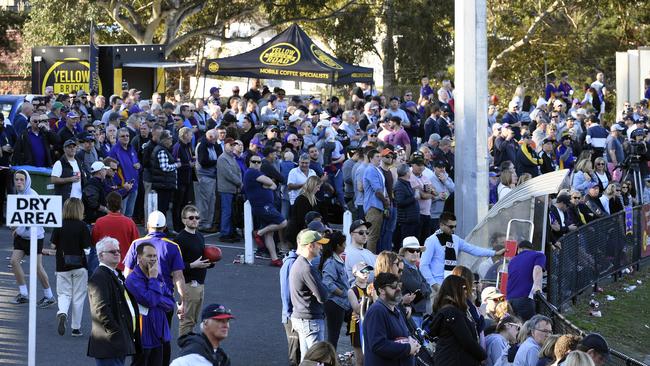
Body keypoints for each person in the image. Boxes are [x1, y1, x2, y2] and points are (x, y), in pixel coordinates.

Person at [124, 211, 186, 366]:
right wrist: (182, 301)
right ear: (165, 227)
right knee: (163, 339)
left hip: (141, 303)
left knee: (141, 344)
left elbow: (127, 273)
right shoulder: (172, 246)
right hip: (164, 301)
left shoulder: (136, 244)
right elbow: (178, 276)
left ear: (147, 225)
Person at [420, 212, 503, 299]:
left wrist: (494, 253)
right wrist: (434, 284)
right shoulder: (431, 241)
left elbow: (474, 249)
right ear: (441, 225)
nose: (453, 229)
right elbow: (423, 265)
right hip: (437, 286)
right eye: (451, 226)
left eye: (455, 226)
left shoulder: (456, 239)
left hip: (451, 285)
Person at [87, 237, 138, 366]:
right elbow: (101, 309)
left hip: (117, 343)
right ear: (101, 255)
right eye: (112, 251)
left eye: (118, 251)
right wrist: (116, 332)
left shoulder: (115, 274)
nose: (117, 253)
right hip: (110, 343)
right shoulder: (100, 276)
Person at [125, 242, 175, 366]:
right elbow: (150, 301)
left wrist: (157, 299)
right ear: (139, 258)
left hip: (159, 332)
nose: (153, 259)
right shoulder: (133, 280)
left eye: (155, 256)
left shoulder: (158, 275)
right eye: (149, 256)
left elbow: (170, 303)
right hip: (143, 334)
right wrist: (153, 280)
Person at [9, 170, 55, 306]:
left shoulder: (32, 195)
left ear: (27, 181)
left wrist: (18, 229)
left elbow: (32, 221)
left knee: (37, 267)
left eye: (21, 180)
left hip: (35, 237)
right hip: (22, 237)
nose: (18, 182)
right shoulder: (19, 194)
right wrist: (16, 226)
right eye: (16, 179)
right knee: (14, 261)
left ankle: (49, 296)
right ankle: (23, 294)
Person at [51, 197, 91, 336]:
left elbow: (53, 244)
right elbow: (87, 247)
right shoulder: (83, 226)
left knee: (63, 293)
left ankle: (62, 312)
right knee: (78, 296)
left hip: (62, 265)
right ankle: (76, 328)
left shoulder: (59, 224)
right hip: (80, 265)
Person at [428, 274, 487, 366]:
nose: (466, 291)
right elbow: (467, 341)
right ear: (454, 289)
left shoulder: (451, 310)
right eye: (463, 288)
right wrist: (483, 356)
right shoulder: (452, 312)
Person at [363, 272, 420, 365]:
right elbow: (378, 345)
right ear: (381, 290)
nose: (398, 289)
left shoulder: (396, 309)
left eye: (398, 285)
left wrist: (412, 341)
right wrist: (408, 348)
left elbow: (403, 335)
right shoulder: (377, 311)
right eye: (393, 286)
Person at [289, 230, 330, 360]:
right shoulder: (307, 268)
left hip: (301, 318)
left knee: (306, 360)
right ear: (310, 245)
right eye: (319, 244)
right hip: (311, 320)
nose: (321, 247)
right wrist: (322, 288)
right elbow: (323, 296)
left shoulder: (297, 264)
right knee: (316, 360)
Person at [175, 205, 213, 336]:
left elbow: (201, 259)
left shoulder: (200, 236)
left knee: (194, 319)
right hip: (188, 284)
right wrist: (192, 265)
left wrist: (210, 262)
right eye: (191, 218)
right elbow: (175, 266)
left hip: (200, 283)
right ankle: (184, 347)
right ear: (184, 220)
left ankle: (188, 345)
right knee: (187, 320)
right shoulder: (180, 239)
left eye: (197, 217)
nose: (195, 220)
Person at [245, 153, 287, 266]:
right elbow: (271, 183)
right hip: (263, 206)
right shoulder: (252, 172)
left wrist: (268, 184)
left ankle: (274, 259)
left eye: (259, 162)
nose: (257, 164)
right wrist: (268, 184)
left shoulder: (258, 173)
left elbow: (273, 186)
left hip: (266, 205)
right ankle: (259, 233)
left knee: (270, 234)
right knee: (283, 222)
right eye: (254, 161)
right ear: (250, 162)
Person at [91, 192, 140, 273]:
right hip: (124, 267)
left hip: (105, 266)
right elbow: (136, 245)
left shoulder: (100, 222)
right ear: (121, 204)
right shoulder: (129, 222)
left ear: (107, 204)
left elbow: (94, 242)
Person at [318, 231, 350, 350]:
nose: (345, 245)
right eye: (344, 243)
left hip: (339, 304)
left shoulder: (335, 260)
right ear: (338, 245)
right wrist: (342, 293)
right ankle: (330, 361)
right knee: (333, 337)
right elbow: (328, 283)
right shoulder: (331, 262)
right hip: (335, 304)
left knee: (334, 336)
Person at [506, 240, 545, 321]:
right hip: (525, 298)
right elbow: (537, 269)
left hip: (509, 301)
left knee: (515, 328)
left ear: (519, 249)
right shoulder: (538, 255)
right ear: (531, 249)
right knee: (528, 328)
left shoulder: (512, 260)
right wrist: (537, 286)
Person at [398, 236, 431, 327]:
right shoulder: (403, 268)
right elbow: (417, 287)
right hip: (410, 313)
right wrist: (423, 289)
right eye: (411, 250)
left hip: (417, 313)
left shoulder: (415, 268)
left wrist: (423, 289)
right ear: (404, 252)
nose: (415, 253)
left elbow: (428, 289)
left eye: (417, 251)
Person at [109, 128, 141, 217]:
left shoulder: (131, 148)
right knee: (121, 215)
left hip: (133, 186)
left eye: (127, 136)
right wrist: (122, 185)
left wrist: (139, 165)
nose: (125, 138)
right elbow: (112, 171)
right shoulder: (114, 150)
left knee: (129, 215)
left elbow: (137, 163)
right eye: (122, 136)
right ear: (118, 138)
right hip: (123, 188)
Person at [346, 262, 373, 366]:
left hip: (370, 324)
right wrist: (369, 299)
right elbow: (357, 309)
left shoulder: (372, 287)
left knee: (370, 359)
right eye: (363, 272)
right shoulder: (352, 291)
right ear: (355, 273)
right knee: (360, 361)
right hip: (357, 326)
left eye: (368, 271)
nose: (366, 274)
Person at [363, 148, 388, 253]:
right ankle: (370, 260)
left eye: (380, 156)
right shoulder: (371, 170)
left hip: (378, 205)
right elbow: (377, 190)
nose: (379, 158)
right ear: (370, 158)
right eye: (377, 157)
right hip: (373, 206)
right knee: (372, 236)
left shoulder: (377, 169)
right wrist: (385, 201)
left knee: (375, 235)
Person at [150, 130, 179, 220]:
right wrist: (176, 165)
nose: (171, 141)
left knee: (163, 207)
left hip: (163, 183)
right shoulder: (162, 151)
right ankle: (162, 229)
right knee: (162, 207)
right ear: (164, 140)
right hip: (163, 184)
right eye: (169, 139)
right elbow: (164, 167)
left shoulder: (162, 149)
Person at [195, 129, 220, 232]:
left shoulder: (212, 146)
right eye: (215, 139)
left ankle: (208, 223)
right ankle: (202, 223)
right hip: (205, 176)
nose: (216, 142)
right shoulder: (202, 146)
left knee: (211, 200)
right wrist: (216, 162)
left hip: (212, 177)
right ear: (210, 137)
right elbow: (203, 161)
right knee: (204, 201)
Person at [280, 247, 302, 366]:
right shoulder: (291, 263)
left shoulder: (297, 261)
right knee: (295, 353)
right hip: (292, 315)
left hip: (296, 314)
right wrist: (290, 314)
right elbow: (286, 293)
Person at [172, 127, 196, 232]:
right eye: (190, 134)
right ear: (185, 135)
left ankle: (183, 225)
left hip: (187, 179)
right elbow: (176, 163)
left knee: (185, 203)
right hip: (180, 180)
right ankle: (177, 226)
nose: (192, 137)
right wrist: (188, 164)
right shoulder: (178, 147)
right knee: (178, 204)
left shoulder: (188, 146)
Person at [344, 219, 378, 285]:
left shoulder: (367, 252)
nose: (365, 235)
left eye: (367, 232)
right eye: (361, 232)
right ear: (352, 234)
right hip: (359, 292)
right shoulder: (351, 252)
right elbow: (366, 277)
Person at [394, 163, 420, 245]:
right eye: (409, 171)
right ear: (406, 173)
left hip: (412, 219)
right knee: (406, 243)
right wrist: (414, 198)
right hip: (406, 220)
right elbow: (400, 202)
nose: (410, 173)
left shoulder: (406, 184)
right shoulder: (399, 185)